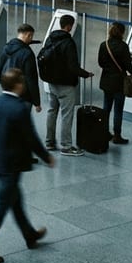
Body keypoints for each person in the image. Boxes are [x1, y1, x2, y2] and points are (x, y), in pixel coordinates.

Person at [0, 69, 54, 263]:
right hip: (12, 163)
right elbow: (31, 138)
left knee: (15, 199)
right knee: (0, 207)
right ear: (19, 85)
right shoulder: (20, 108)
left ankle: (29, 235)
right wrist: (46, 157)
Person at [40, 14, 93, 156]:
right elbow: (73, 66)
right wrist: (86, 74)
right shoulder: (68, 43)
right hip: (65, 84)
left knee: (52, 111)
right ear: (69, 26)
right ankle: (66, 146)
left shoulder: (50, 38)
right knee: (67, 115)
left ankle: (49, 142)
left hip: (51, 82)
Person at [96, 22, 132, 145]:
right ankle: (117, 135)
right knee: (118, 110)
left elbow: (100, 63)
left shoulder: (104, 45)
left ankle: (104, 132)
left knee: (106, 108)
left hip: (106, 80)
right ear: (122, 33)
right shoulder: (123, 46)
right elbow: (128, 66)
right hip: (119, 82)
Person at [0, 24, 43, 110]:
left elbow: (1, 67)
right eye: (31, 36)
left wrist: (3, 85)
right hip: (23, 95)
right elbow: (31, 79)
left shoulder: (6, 47)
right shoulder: (27, 53)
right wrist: (37, 102)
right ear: (28, 35)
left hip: (8, 90)